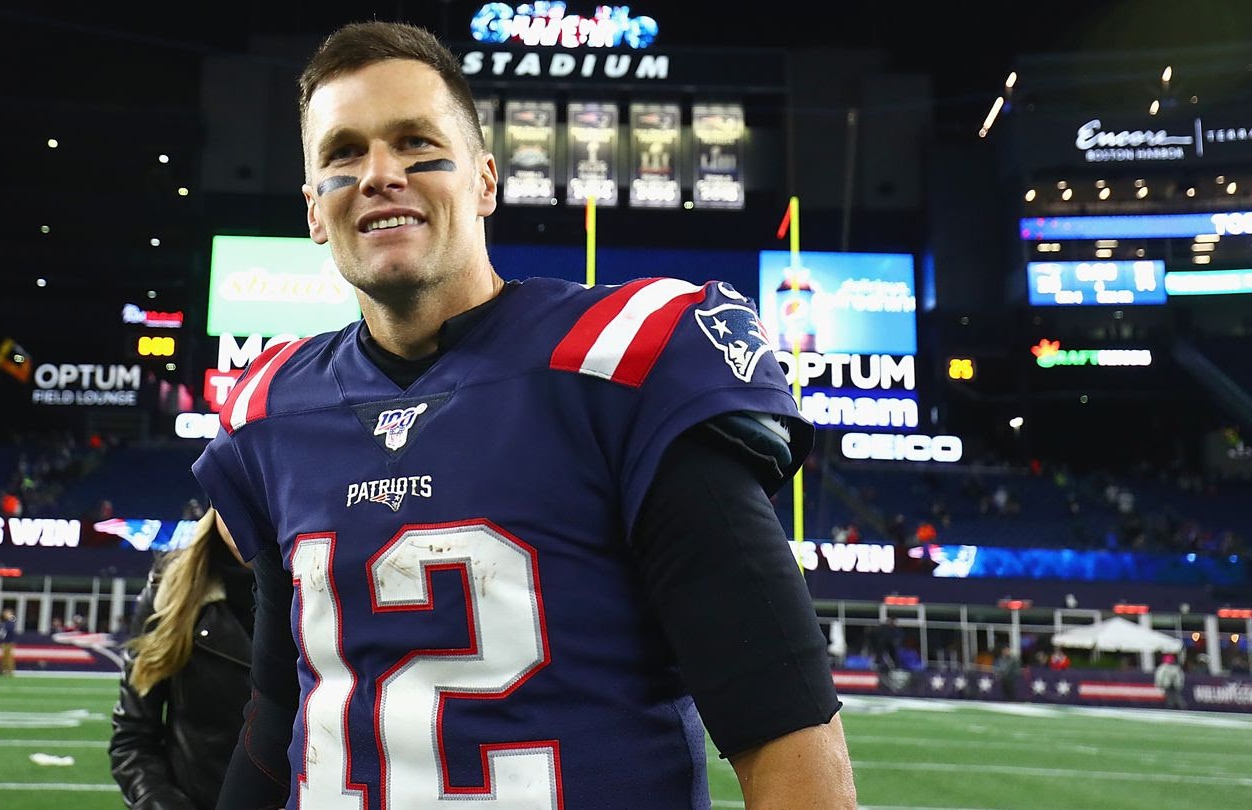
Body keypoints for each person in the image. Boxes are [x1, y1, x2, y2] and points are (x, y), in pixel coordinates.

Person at [193, 20, 855, 810]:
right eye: (343, 153)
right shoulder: (272, 413)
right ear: (313, 208)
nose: (379, 174)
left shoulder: (620, 367)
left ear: (483, 181)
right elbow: (279, 716)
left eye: (414, 142)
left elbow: (784, 729)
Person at [109, 508, 254, 809]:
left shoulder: (324, 595)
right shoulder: (168, 595)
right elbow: (133, 739)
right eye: (233, 496)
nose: (245, 513)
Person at [0, 607, 16, 676]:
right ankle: (4, 670)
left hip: (8, 642)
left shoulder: (10, 622)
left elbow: (9, 631)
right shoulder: (5, 622)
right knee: (4, 657)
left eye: (6, 613)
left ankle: (9, 670)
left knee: (8, 658)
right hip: (5, 642)